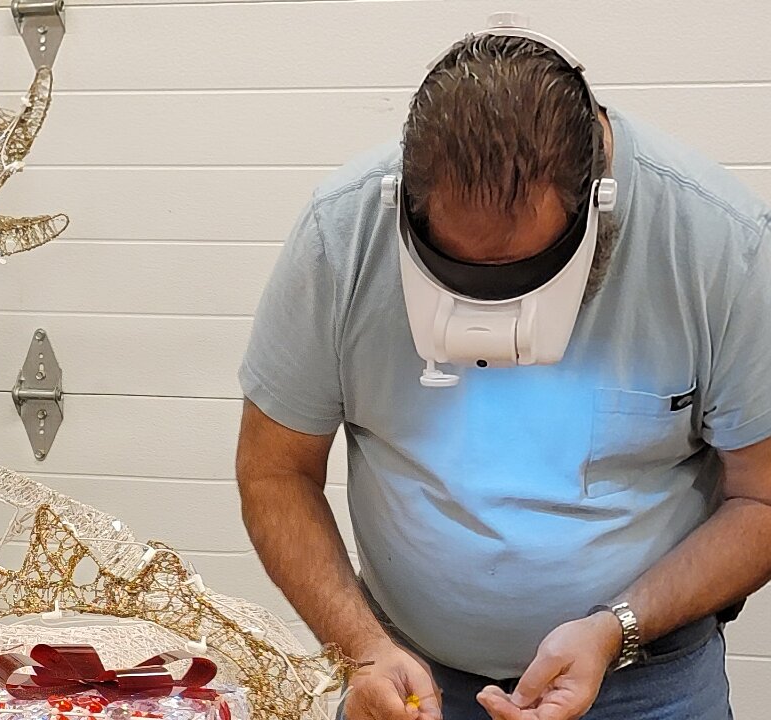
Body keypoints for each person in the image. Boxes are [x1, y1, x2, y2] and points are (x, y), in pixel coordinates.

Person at [235, 17, 771, 720]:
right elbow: (275, 471)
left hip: (647, 682)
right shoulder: (344, 236)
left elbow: (762, 499)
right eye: (462, 269)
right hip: (405, 674)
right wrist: (360, 650)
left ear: (597, 203)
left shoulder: (722, 248)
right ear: (408, 201)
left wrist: (616, 627)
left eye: (520, 270)